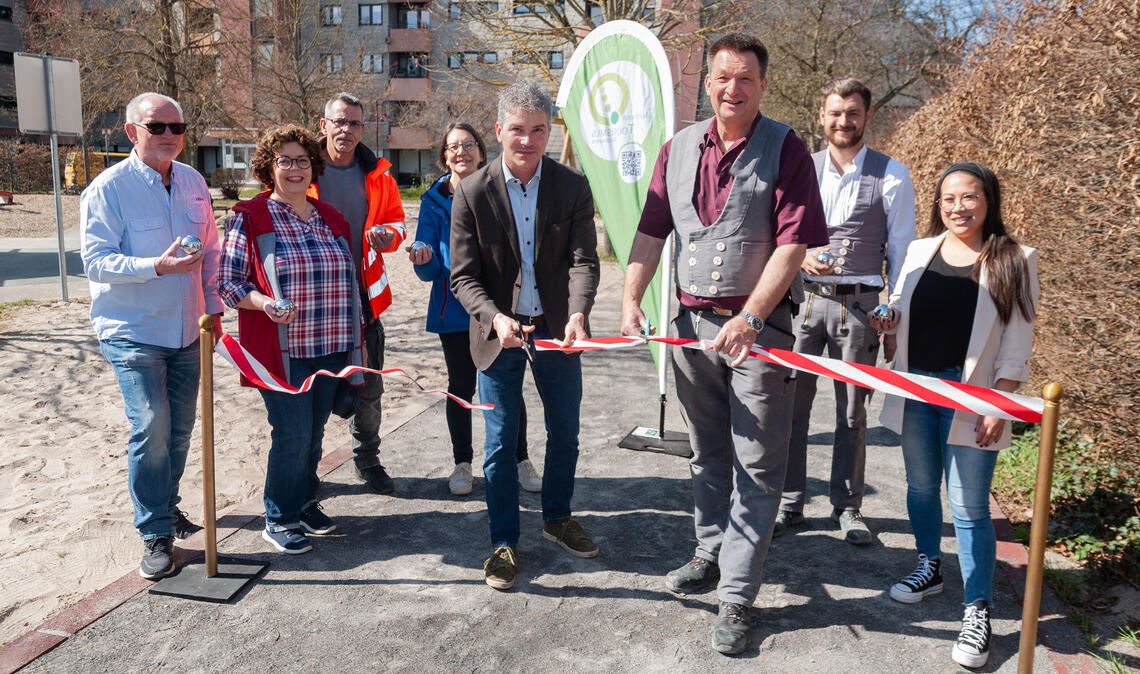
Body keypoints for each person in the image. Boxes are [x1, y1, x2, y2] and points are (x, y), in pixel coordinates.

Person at [620, 34, 828, 655]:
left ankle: (737, 596)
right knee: (706, 453)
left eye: (745, 79)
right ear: (707, 82)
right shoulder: (677, 148)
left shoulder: (786, 148)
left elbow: (793, 244)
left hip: (759, 337)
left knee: (757, 467)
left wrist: (754, 317)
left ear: (762, 85)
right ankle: (709, 551)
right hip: (690, 330)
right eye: (722, 77)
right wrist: (631, 299)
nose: (732, 88)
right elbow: (651, 232)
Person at [871, 162, 1038, 668]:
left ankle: (977, 609)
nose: (957, 207)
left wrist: (998, 403)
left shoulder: (1015, 259)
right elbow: (899, 310)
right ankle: (929, 565)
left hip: (973, 399)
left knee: (968, 507)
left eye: (969, 197)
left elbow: (1017, 342)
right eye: (948, 198)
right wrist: (888, 321)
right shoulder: (919, 252)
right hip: (917, 390)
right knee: (921, 487)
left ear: (988, 200)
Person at [450, 82, 600, 591]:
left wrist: (578, 313)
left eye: (538, 130)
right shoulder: (472, 192)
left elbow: (583, 261)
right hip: (499, 334)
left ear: (549, 131)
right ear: (498, 131)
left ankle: (557, 517)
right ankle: (503, 541)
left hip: (558, 331)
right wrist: (494, 318)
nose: (528, 141)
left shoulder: (572, 186)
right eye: (517, 129)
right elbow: (463, 277)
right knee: (498, 444)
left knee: (566, 432)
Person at [81, 92, 220, 580]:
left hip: (188, 330)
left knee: (178, 430)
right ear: (131, 131)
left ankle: (166, 505)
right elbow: (96, 262)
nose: (168, 135)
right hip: (133, 332)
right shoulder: (108, 188)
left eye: (176, 127)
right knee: (152, 424)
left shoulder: (193, 182)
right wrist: (155, 266)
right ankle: (154, 531)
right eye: (156, 126)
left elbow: (211, 252)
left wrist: (214, 308)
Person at [777, 77, 916, 544]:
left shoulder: (893, 174)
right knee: (790, 407)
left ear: (867, 116)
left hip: (860, 306)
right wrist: (801, 256)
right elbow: (777, 232)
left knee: (853, 413)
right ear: (822, 116)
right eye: (835, 113)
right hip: (804, 302)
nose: (844, 121)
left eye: (853, 113)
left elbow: (902, 251)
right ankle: (789, 503)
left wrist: (894, 311)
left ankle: (848, 506)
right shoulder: (801, 167)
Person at [219, 124, 363, 555]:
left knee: (314, 432)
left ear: (313, 166)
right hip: (282, 354)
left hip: (332, 345)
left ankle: (302, 500)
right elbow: (228, 284)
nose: (295, 168)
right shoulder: (250, 216)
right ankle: (279, 517)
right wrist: (265, 303)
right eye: (285, 160)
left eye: (303, 160)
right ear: (269, 167)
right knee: (293, 433)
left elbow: (350, 279)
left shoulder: (330, 217)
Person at [409, 122, 540, 496]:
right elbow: (429, 269)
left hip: (499, 309)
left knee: (505, 386)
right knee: (461, 387)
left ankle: (520, 459)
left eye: (468, 145)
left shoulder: (499, 191)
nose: (461, 152)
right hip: (453, 312)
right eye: (453, 147)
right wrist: (423, 258)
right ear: (444, 156)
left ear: (482, 152)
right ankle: (462, 463)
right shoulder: (433, 201)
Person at [307, 92, 405, 495]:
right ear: (323, 125)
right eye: (339, 121)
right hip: (313, 299)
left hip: (364, 299)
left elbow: (398, 224)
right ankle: (307, 468)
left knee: (370, 387)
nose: (346, 129)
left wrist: (387, 236)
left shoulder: (379, 173)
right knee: (314, 389)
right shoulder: (302, 168)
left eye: (354, 123)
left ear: (363, 129)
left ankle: (368, 459)